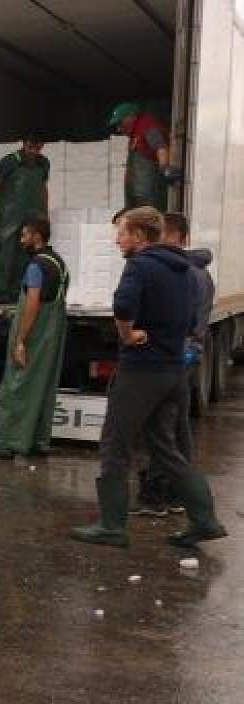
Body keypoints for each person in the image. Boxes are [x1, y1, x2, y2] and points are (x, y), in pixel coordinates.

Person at [70, 207, 227, 548]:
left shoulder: (139, 265)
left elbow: (123, 306)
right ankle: (205, 520)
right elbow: (191, 320)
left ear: (140, 236)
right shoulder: (187, 270)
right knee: (165, 448)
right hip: (174, 371)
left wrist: (128, 335)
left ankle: (111, 525)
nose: (117, 240)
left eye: (122, 233)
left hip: (141, 371)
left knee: (114, 443)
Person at [133, 212, 214, 516]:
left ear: (177, 237)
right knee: (178, 428)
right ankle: (181, 496)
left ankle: (158, 495)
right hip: (185, 355)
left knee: (161, 428)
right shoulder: (198, 272)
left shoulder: (185, 273)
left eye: (160, 234)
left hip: (174, 357)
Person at [0, 215, 70, 459]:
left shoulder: (36, 266)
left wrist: (20, 340)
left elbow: (32, 302)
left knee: (17, 385)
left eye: (24, 235)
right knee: (43, 385)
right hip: (53, 332)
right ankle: (38, 440)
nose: (21, 240)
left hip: (35, 332)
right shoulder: (59, 262)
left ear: (37, 236)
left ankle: (5, 443)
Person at [0, 134, 51, 304]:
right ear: (24, 143)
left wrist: (45, 214)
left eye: (37, 147)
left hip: (32, 215)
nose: (33, 151)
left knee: (26, 254)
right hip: (8, 216)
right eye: (30, 146)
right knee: (4, 254)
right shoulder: (9, 161)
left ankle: (18, 291)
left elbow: (43, 188)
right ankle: (1, 292)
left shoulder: (43, 163)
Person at [108, 103, 177, 212]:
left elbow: (160, 147)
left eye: (120, 123)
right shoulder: (135, 133)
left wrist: (164, 168)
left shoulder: (147, 127)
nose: (119, 129)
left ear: (131, 117)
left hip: (149, 197)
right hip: (137, 197)